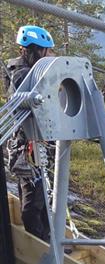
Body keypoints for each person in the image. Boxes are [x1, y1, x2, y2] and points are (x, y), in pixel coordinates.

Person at [2, 25, 55, 242]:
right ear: (34, 50)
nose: (48, 56)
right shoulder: (20, 74)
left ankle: (49, 238)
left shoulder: (26, 71)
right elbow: (33, 101)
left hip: (35, 142)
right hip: (27, 145)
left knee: (40, 196)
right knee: (33, 201)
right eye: (45, 51)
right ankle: (41, 245)